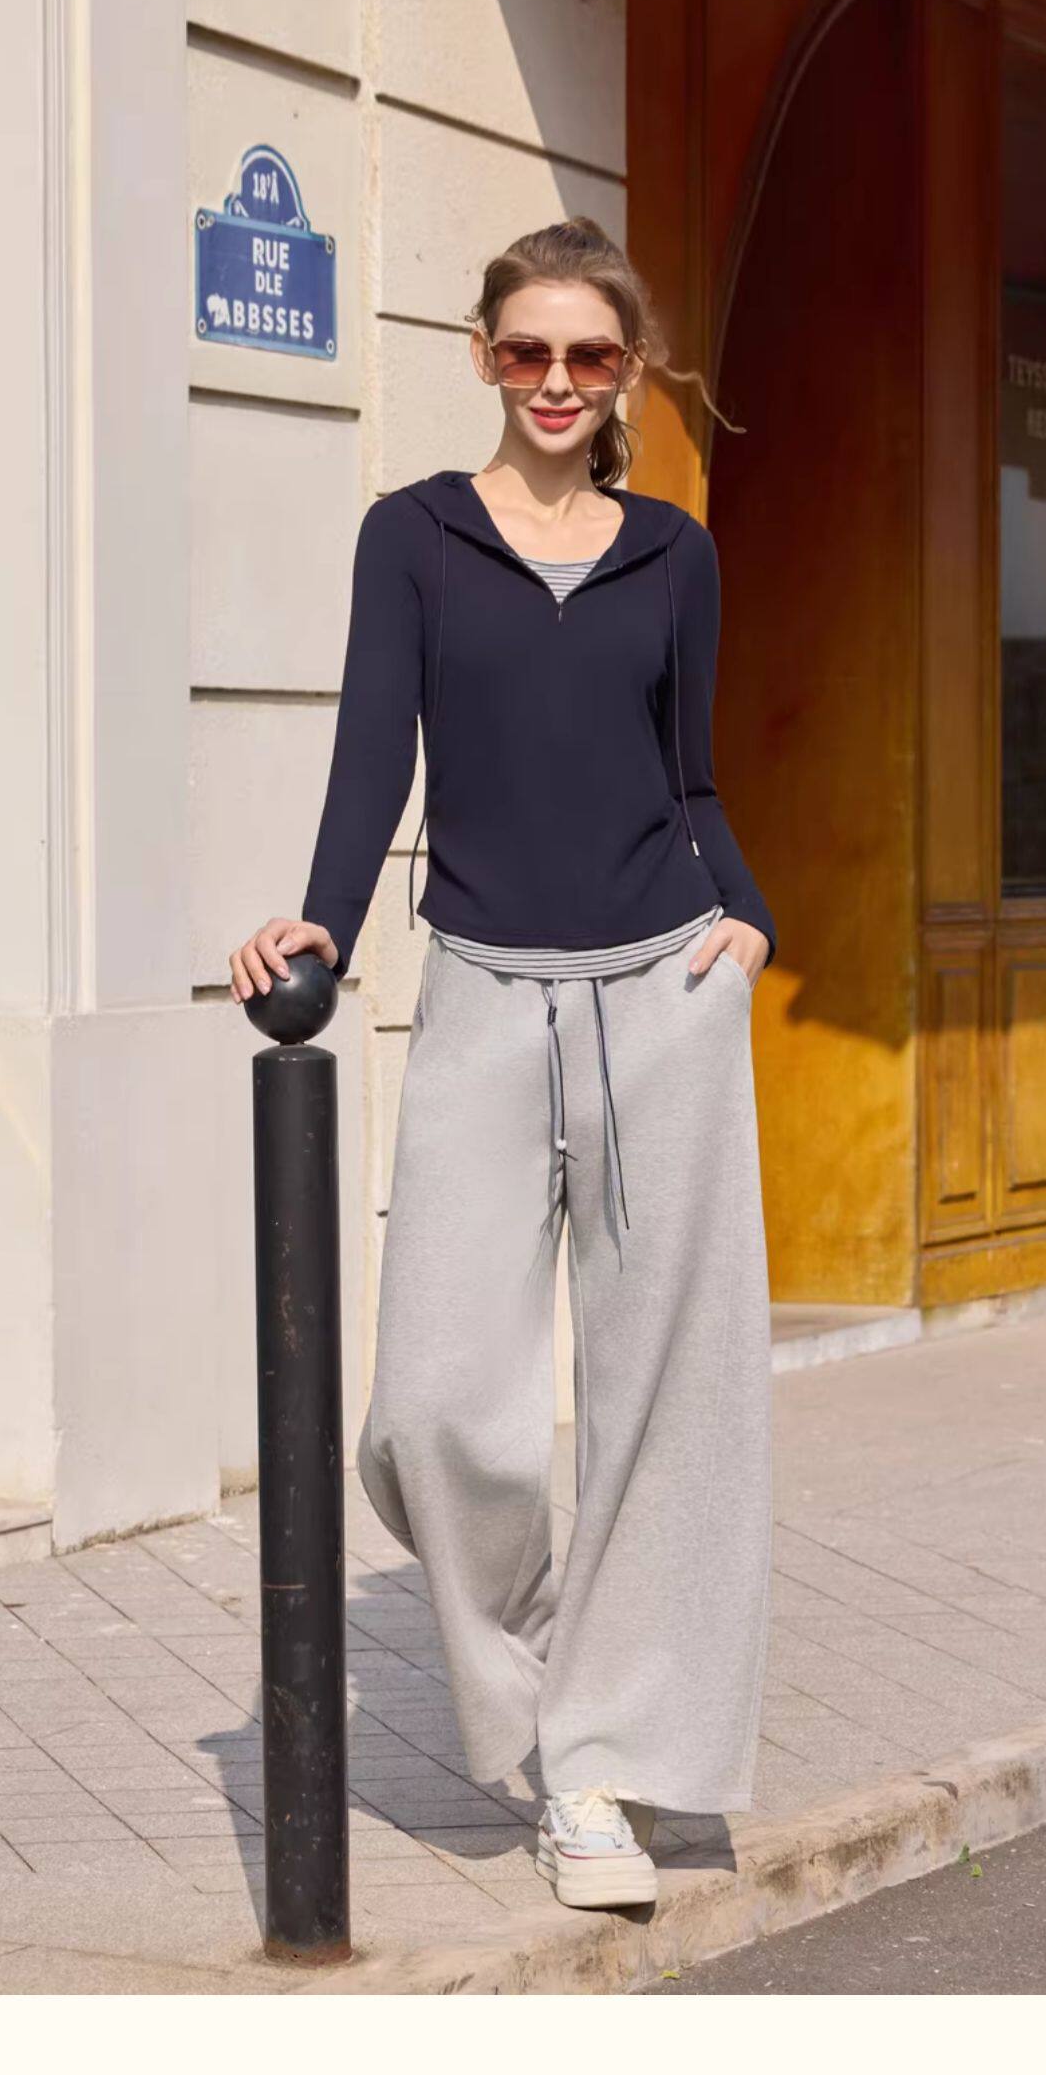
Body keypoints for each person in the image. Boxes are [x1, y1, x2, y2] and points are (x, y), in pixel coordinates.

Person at [229, 217, 775, 1912]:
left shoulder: (674, 552)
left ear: (626, 372)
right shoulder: (413, 537)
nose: (555, 381)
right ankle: (552, 1689)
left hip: (665, 988)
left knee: (672, 1400)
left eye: (588, 355)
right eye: (527, 350)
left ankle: (601, 1767)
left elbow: (689, 775)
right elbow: (369, 758)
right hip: (477, 989)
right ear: (483, 355)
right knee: (434, 1408)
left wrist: (752, 922)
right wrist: (321, 929)